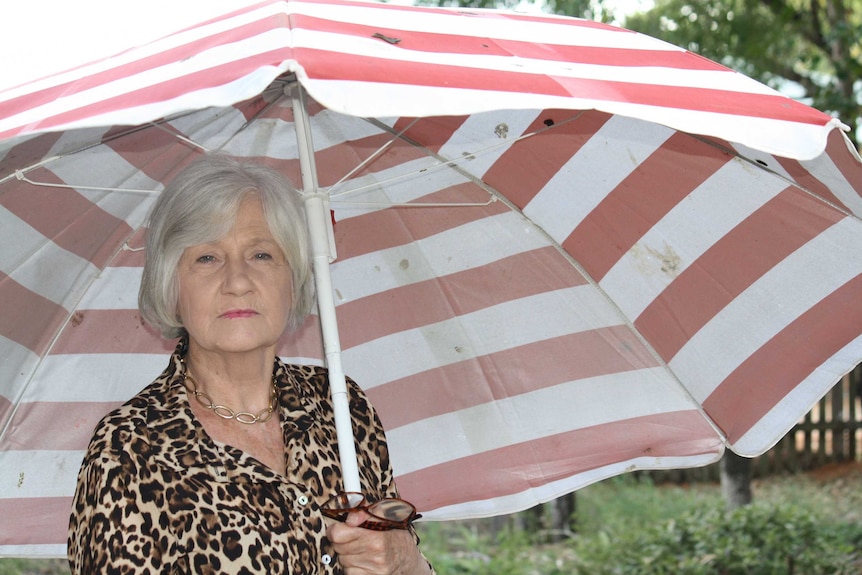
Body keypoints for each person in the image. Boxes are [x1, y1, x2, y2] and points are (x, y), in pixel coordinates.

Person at [68, 155, 434, 575]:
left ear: (292, 279)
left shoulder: (342, 405)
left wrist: (406, 561)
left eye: (261, 254)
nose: (237, 281)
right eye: (207, 258)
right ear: (171, 287)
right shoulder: (129, 449)